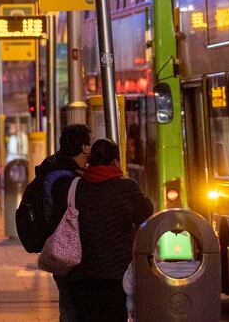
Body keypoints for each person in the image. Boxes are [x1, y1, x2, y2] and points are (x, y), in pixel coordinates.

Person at [67, 138, 153, 322]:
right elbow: (145, 212)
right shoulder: (126, 187)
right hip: (116, 274)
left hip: (83, 272)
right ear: (115, 160)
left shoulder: (77, 186)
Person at [33, 124, 92, 322]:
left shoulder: (56, 169)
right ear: (84, 147)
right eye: (89, 143)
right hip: (69, 250)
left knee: (69, 306)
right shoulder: (66, 179)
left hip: (63, 249)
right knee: (71, 308)